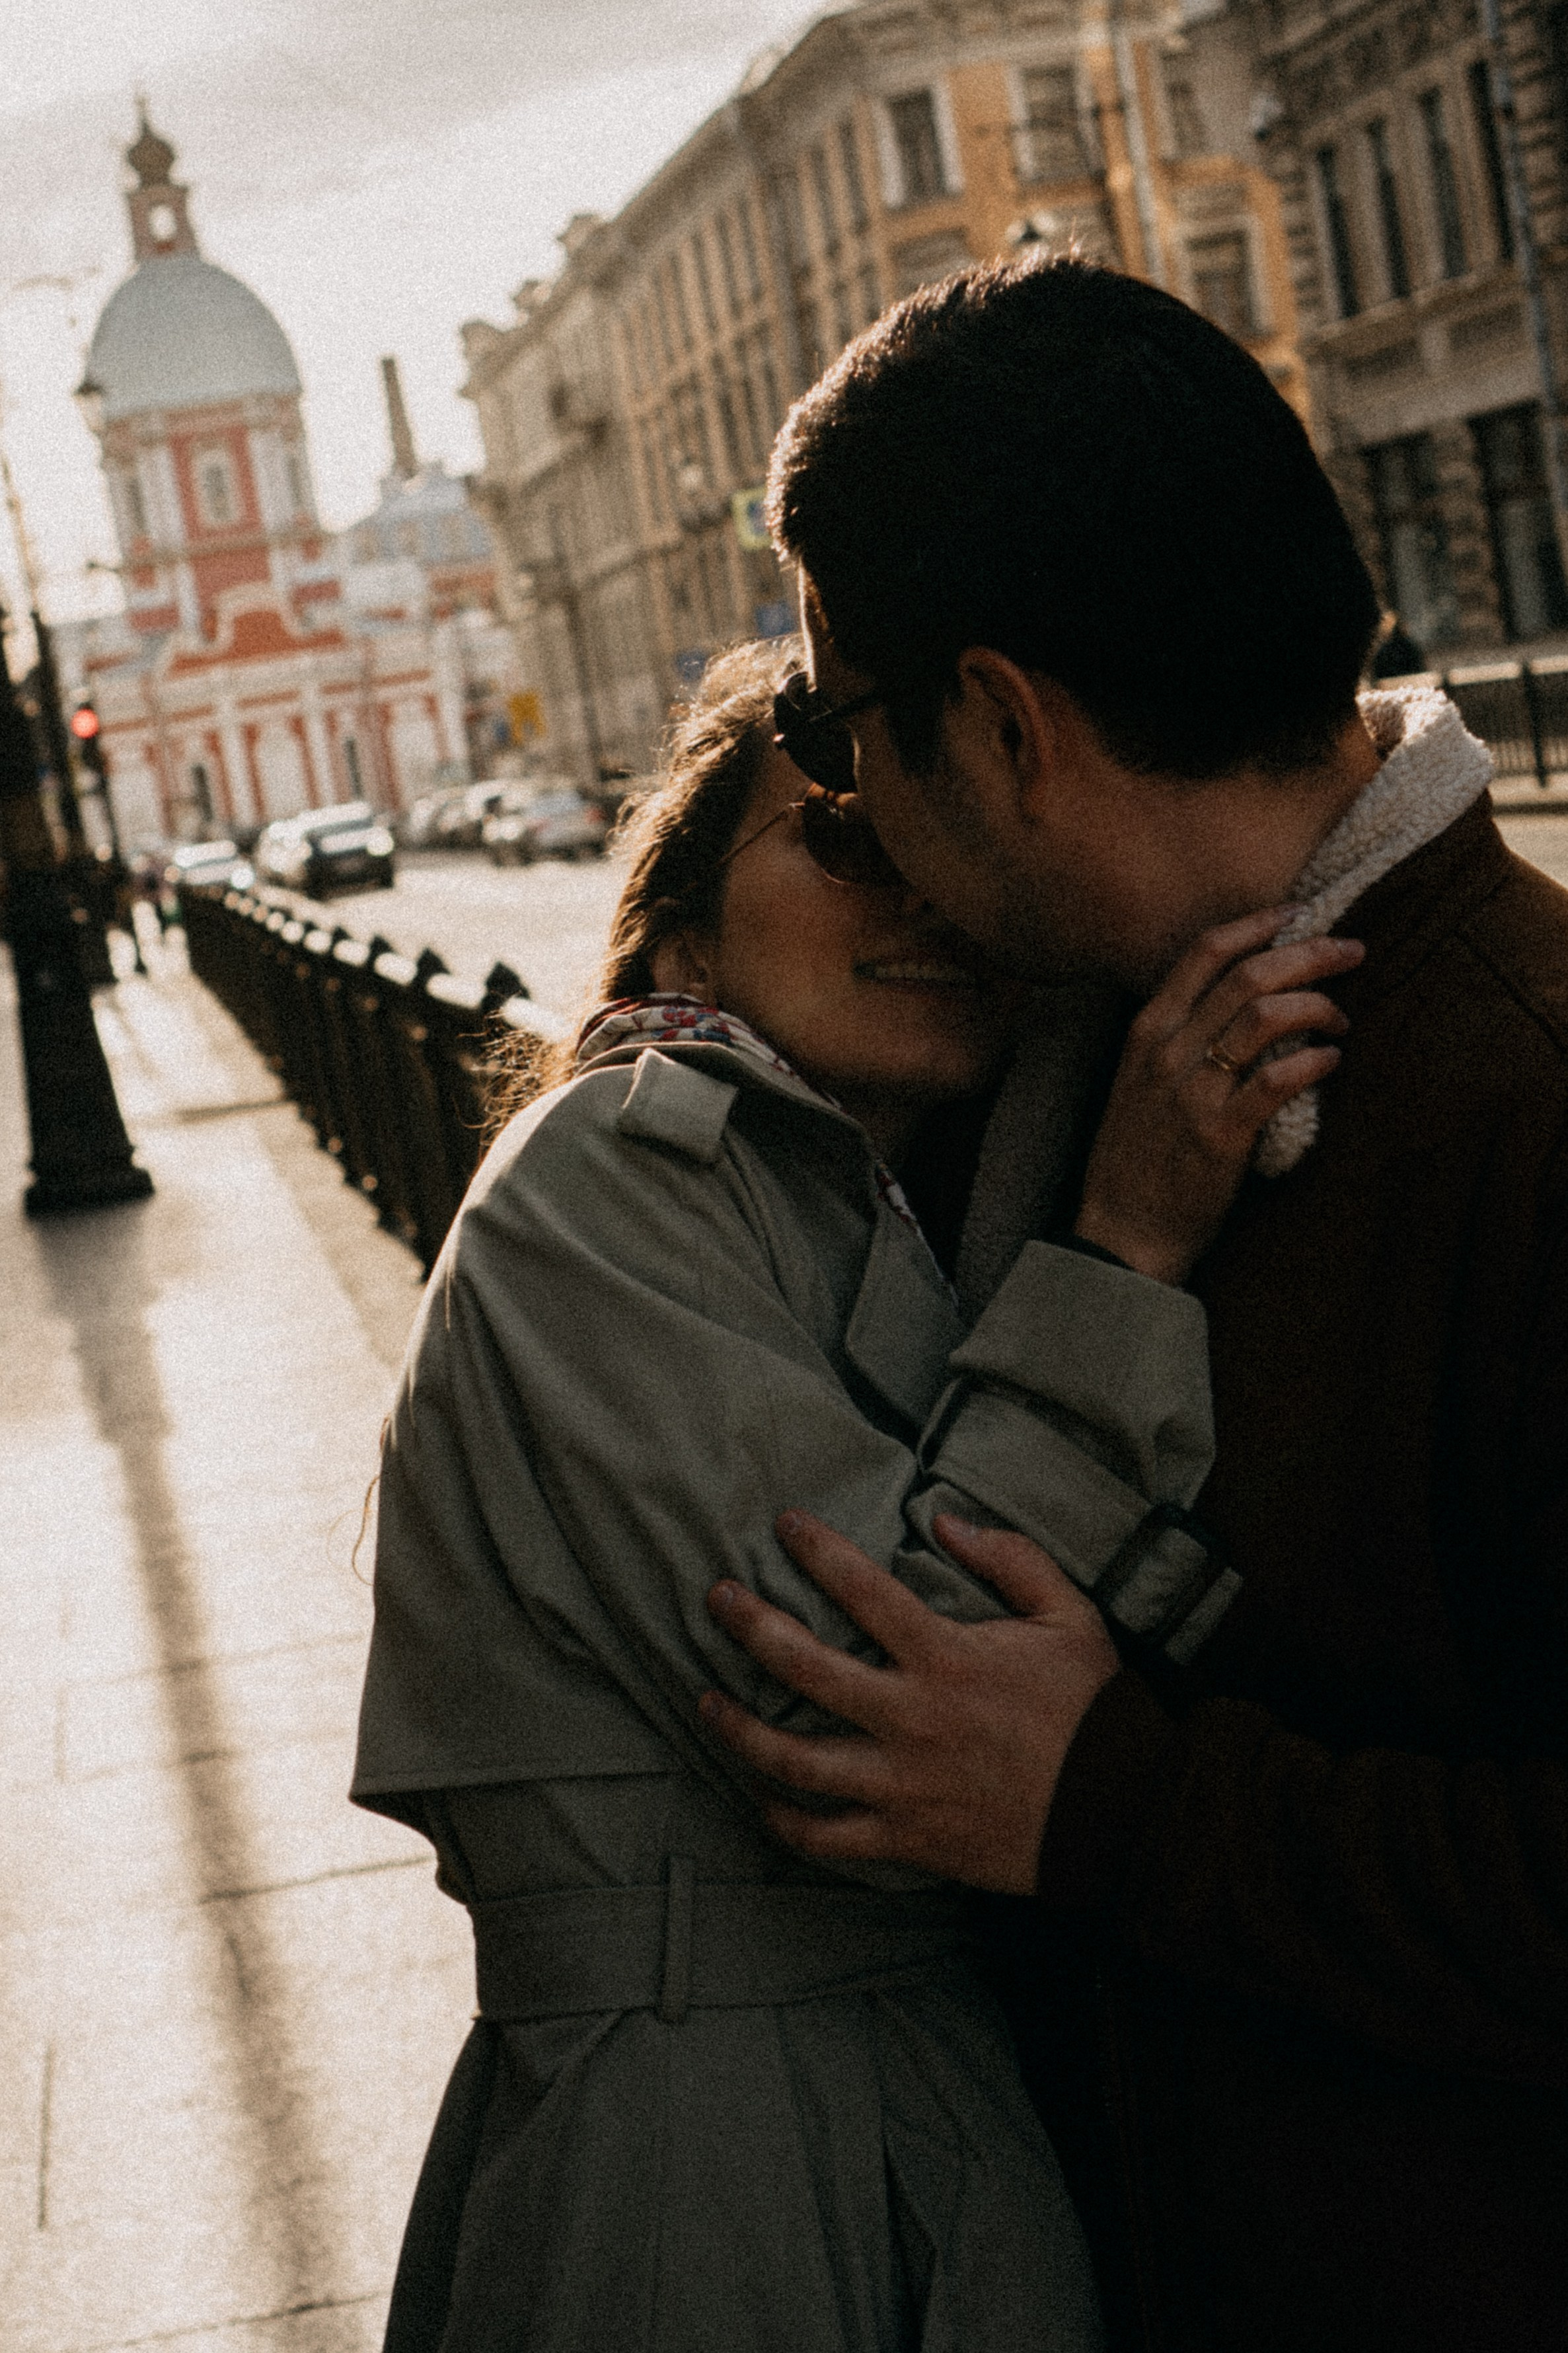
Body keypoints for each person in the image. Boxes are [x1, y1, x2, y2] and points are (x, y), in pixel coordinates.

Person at [696, 258, 1568, 2353]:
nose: (840, 811)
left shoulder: (1523, 1098)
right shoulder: (1069, 1064)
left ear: (1002, 727)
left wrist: (1109, 1802)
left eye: (835, 731)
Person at [351, 638, 1352, 2353]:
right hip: (709, 2162)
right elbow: (894, 1706)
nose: (924, 897)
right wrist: (1125, 1246)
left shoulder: (853, 1203)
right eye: (839, 835)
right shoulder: (601, 1178)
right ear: (679, 922)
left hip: (896, 2112)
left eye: (937, 844)